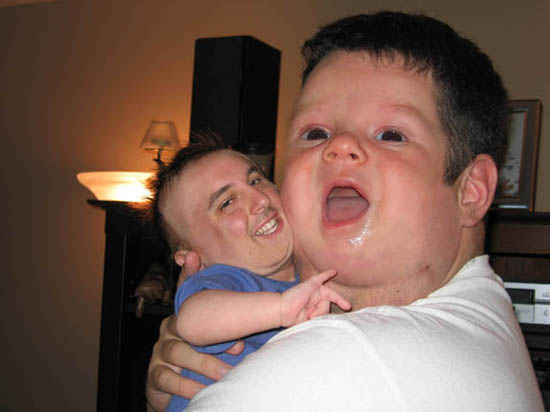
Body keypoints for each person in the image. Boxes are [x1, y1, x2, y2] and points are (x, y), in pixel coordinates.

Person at [146, 11, 544, 411]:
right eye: (315, 133)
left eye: (391, 134)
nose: (340, 145)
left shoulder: (341, 361)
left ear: (472, 191)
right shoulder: (483, 316)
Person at [147, 134, 351, 411]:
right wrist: (281, 308)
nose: (260, 200)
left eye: (255, 181)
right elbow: (193, 321)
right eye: (227, 203)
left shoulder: (310, 274)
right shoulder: (222, 282)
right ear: (192, 256)